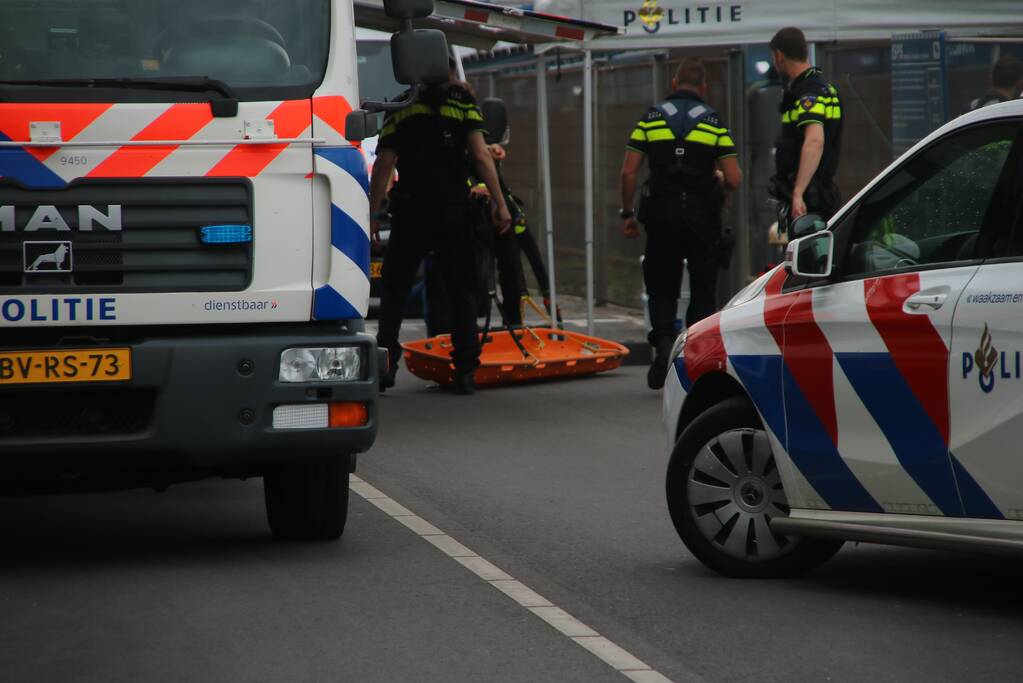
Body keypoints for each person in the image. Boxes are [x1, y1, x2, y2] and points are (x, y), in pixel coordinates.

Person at [371, 63, 512, 396]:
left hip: (410, 211)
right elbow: (480, 155)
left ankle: (385, 366)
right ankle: (465, 370)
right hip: (452, 210)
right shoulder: (463, 104)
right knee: (461, 291)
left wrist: (374, 212)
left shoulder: (401, 105)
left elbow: (385, 163)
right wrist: (500, 202)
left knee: (395, 290)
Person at [619, 58, 742, 391]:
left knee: (661, 286)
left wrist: (627, 214)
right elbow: (734, 177)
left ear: (673, 84)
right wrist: (715, 177)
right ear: (703, 88)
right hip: (703, 219)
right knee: (702, 289)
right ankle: (693, 358)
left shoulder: (651, 118)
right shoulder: (714, 123)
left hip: (661, 216)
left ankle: (662, 343)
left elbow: (628, 171)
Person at [768, 26, 844, 225]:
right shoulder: (824, 88)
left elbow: (815, 140)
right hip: (821, 193)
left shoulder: (809, 91)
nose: (775, 65)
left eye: (774, 59)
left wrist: (798, 193)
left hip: (812, 200)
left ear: (779, 55)